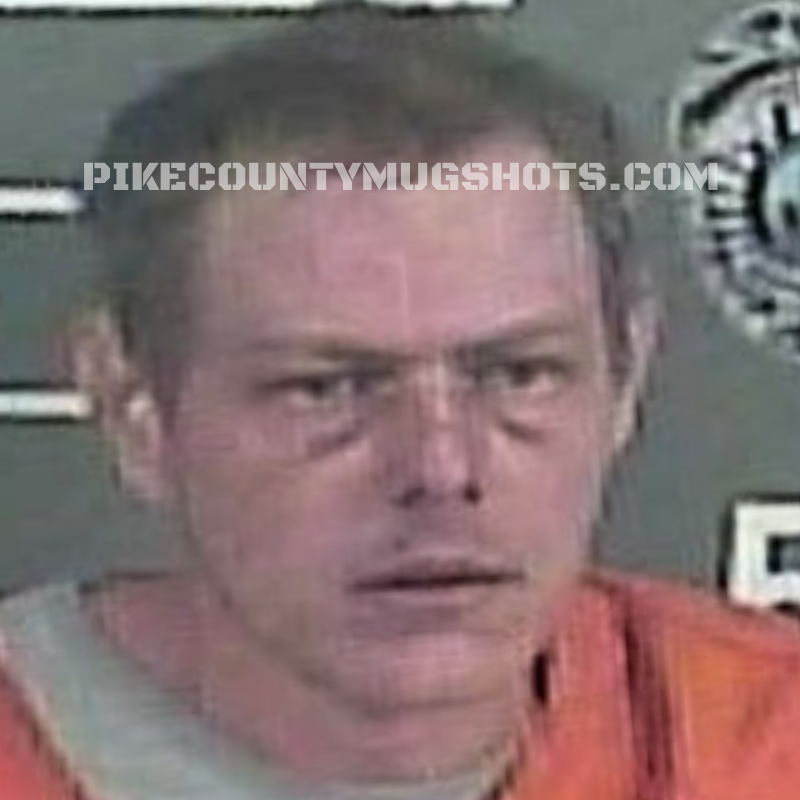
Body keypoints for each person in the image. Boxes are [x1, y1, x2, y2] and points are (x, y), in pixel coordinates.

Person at [1, 10, 800, 800]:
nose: (441, 468)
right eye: (327, 389)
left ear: (625, 375)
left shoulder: (764, 737)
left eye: (520, 374)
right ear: (131, 405)